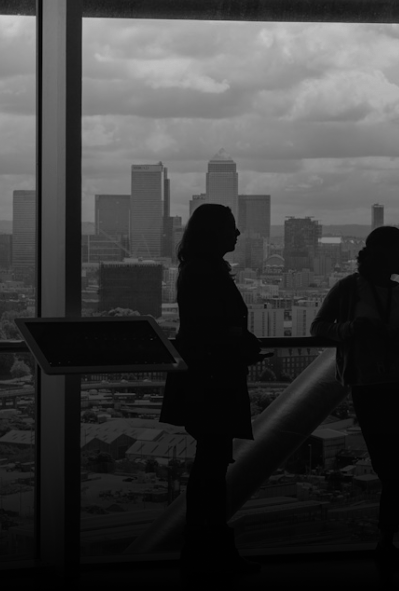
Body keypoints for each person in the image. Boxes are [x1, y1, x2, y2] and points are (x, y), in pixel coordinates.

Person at [310, 226, 399, 566]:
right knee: (391, 467)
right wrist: (350, 329)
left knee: (391, 467)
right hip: (382, 386)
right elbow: (319, 326)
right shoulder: (349, 289)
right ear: (384, 255)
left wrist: (381, 332)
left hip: (396, 386)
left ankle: (389, 538)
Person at [158, 203, 266, 576]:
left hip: (204, 377)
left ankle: (202, 549)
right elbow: (212, 327)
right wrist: (241, 343)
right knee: (212, 467)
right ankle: (212, 549)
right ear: (214, 233)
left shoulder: (197, 269)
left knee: (210, 464)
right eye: (231, 227)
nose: (237, 234)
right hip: (213, 380)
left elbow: (204, 326)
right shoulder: (207, 271)